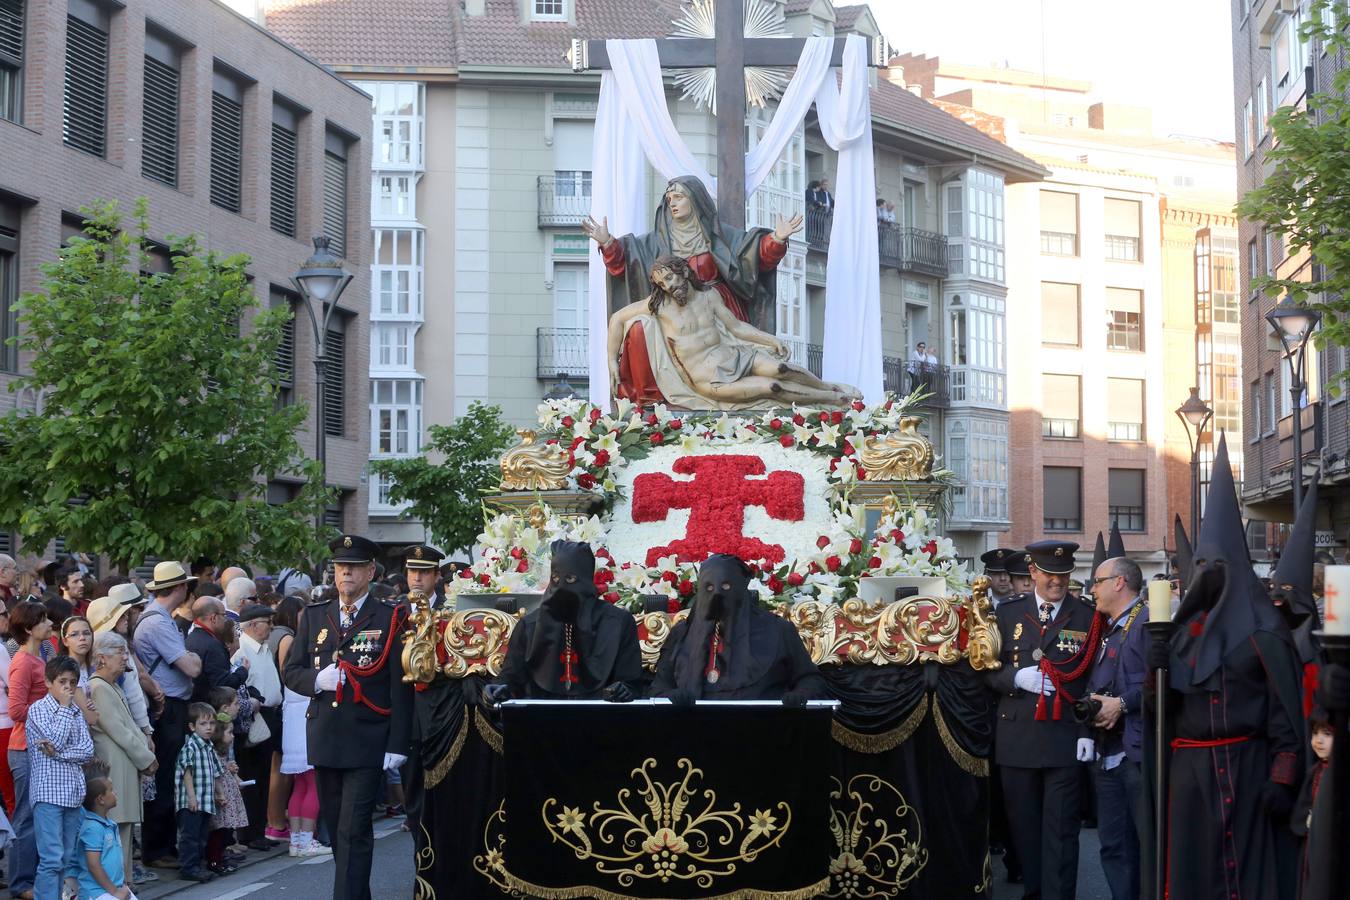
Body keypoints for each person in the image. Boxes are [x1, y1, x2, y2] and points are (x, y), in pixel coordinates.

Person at [1150, 435, 1304, 900]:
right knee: (1193, 876)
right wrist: (1156, 672)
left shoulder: (1264, 632)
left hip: (1247, 767)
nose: (1207, 571)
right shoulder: (1180, 634)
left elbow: (1286, 713)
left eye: (1217, 564)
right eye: (1201, 564)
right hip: (1190, 774)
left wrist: (1282, 776)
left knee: (1250, 877)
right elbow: (1162, 711)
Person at [282, 534, 412, 900]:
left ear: (370, 571)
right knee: (340, 829)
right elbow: (292, 672)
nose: (346, 574)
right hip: (326, 737)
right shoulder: (313, 616)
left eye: (354, 568)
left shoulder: (390, 617)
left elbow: (400, 684)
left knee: (354, 828)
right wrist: (315, 680)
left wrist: (398, 740)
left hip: (368, 737)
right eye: (341, 568)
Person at [984, 540, 1100, 900]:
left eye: (1064, 576)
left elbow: (1094, 678)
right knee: (1025, 830)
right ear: (1032, 572)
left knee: (1062, 831)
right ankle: (1034, 892)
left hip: (1064, 735)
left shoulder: (1087, 616)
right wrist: (1015, 679)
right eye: (1050, 575)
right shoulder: (1006, 615)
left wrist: (1086, 730)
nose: (1057, 583)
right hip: (1017, 735)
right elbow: (984, 668)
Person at [607, 255, 859, 408]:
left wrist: (769, 339)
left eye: (670, 279)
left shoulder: (709, 296)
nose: (668, 287)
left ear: (683, 271)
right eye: (662, 284)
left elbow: (736, 327)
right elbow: (617, 319)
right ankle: (835, 401)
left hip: (733, 355)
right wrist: (611, 361)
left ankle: (828, 388)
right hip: (709, 379)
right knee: (773, 387)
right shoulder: (659, 306)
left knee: (780, 369)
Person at [582, 175, 801, 352]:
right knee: (640, 331)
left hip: (718, 307)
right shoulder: (656, 242)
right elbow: (629, 262)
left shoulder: (721, 238)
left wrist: (777, 239)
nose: (673, 203)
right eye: (670, 200)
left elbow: (754, 256)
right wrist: (609, 244)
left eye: (678, 197)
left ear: (694, 199)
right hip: (674, 309)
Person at [651, 553, 825, 704]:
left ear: (742, 588)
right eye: (709, 588)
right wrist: (671, 696)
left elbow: (809, 679)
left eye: (726, 587)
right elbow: (659, 688)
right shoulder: (681, 633)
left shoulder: (779, 629)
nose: (717, 595)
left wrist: (800, 695)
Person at [487, 541, 642, 704]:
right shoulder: (529, 626)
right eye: (556, 578)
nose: (561, 587)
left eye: (570, 578)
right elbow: (510, 678)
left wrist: (624, 690)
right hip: (542, 720)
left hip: (601, 720)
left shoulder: (618, 623)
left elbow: (632, 682)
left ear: (585, 579)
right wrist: (498, 687)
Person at [131, 561, 203, 869]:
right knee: (165, 778)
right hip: (169, 706)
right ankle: (156, 849)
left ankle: (163, 847)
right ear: (179, 588)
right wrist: (193, 656)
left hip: (173, 704)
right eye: (186, 585)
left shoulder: (160, 618)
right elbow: (191, 667)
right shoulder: (158, 622)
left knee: (171, 777)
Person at [1085, 556, 1149, 900]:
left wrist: (1122, 705)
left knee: (1144, 845)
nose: (1092, 589)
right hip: (1106, 753)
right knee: (1112, 847)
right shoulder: (1108, 627)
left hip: (1135, 756)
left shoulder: (1149, 622)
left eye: (1097, 580)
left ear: (1119, 582)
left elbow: (1163, 683)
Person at [87, 630, 154, 890]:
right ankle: (119, 882)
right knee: (117, 823)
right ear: (101, 658)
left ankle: (124, 880)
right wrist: (146, 758)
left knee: (124, 826)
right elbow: (118, 730)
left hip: (125, 763)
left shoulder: (112, 686)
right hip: (115, 763)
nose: (125, 657)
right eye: (120, 652)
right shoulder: (99, 688)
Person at [28, 655, 96, 900]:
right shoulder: (38, 710)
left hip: (72, 794)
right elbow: (53, 739)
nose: (68, 687)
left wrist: (59, 754)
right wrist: (66, 709)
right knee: (52, 859)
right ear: (48, 682)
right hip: (48, 793)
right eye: (62, 682)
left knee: (66, 858)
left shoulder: (78, 712)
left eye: (72, 682)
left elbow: (87, 750)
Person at [8, 599, 52, 898]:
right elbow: (16, 709)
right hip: (24, 748)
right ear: (28, 628)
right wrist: (49, 707)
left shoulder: (39, 658)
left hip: (36, 747)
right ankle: (20, 883)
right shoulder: (23, 662)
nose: (50, 624)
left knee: (35, 815)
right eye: (44, 620)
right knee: (24, 817)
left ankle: (31, 878)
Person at [232, 603, 281, 849]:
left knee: (263, 775)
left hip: (270, 714)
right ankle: (249, 834)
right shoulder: (242, 651)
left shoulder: (264, 648)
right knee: (251, 776)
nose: (271, 627)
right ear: (252, 625)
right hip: (252, 717)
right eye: (267, 622)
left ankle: (259, 830)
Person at [263, 596, 302, 843]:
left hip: (276, 707)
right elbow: (286, 673)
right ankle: (276, 821)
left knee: (278, 766)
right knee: (281, 768)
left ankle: (274, 820)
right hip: (282, 707)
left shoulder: (274, 634)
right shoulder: (287, 637)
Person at [174, 702, 222, 884]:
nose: (208, 728)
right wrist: (191, 797)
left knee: (202, 835)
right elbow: (187, 772)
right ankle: (188, 867)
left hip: (206, 800)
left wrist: (220, 793)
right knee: (190, 836)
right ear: (192, 727)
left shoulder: (209, 747)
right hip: (191, 802)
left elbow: (216, 772)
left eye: (211, 724)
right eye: (203, 724)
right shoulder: (191, 747)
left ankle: (198, 865)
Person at [205, 688, 246, 875]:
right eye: (229, 732)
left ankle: (220, 858)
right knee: (218, 830)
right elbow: (215, 772)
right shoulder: (214, 753)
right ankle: (214, 860)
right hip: (220, 794)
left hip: (226, 792)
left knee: (224, 829)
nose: (233, 735)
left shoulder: (221, 753)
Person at [77, 775, 133, 900]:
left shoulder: (110, 824)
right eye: (111, 790)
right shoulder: (92, 828)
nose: (115, 792)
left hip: (116, 887)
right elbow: (93, 865)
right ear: (101, 799)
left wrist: (123, 883)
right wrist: (115, 892)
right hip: (96, 892)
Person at [184, 598, 246, 703]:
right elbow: (223, 685)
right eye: (224, 615)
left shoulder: (190, 639)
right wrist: (243, 670)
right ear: (213, 618)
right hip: (210, 709)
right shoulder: (212, 645)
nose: (226, 619)